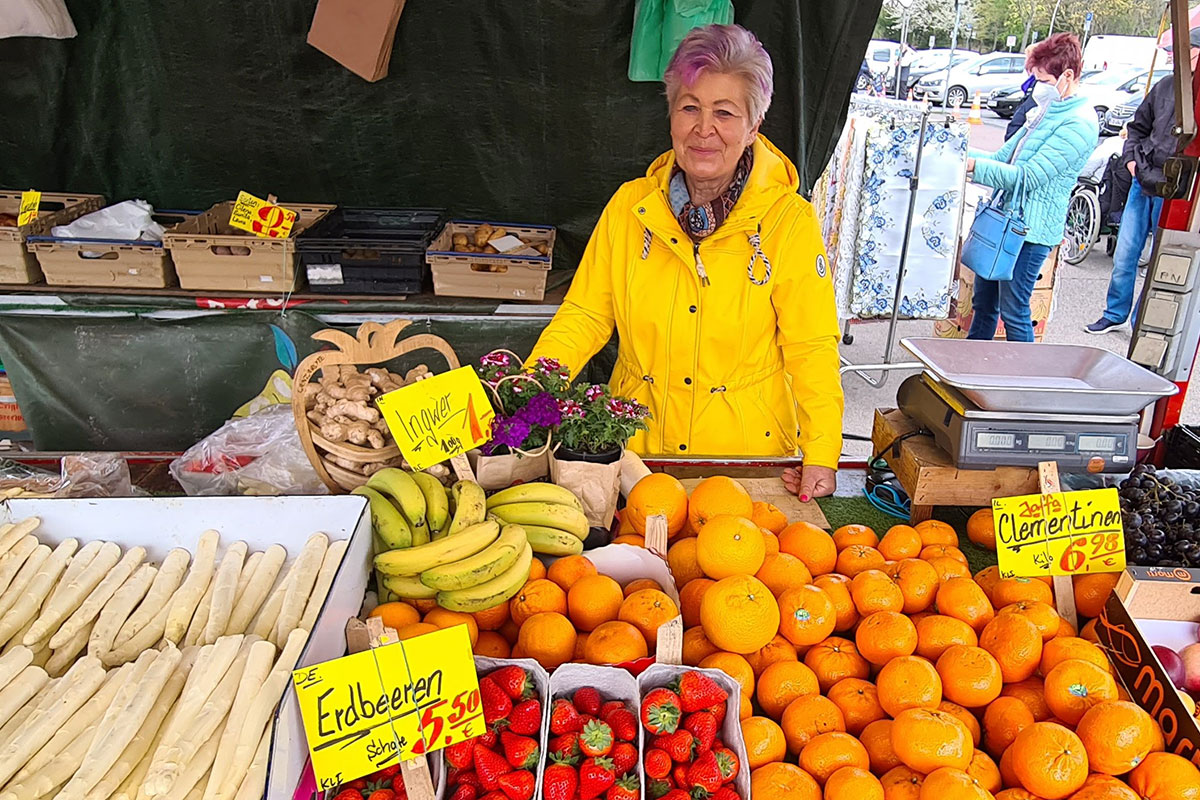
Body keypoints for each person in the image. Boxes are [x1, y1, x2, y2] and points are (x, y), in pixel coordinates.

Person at [528, 24, 843, 499]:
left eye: (725, 112)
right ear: (671, 116)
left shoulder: (788, 221)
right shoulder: (630, 206)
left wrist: (822, 449)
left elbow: (811, 345)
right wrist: (531, 390)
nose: (704, 129)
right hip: (636, 454)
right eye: (689, 108)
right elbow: (585, 316)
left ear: (754, 125)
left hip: (743, 465)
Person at [965, 33, 1099, 342]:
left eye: (1042, 79)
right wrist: (959, 151)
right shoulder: (1045, 110)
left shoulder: (1079, 123)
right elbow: (1003, 157)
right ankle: (970, 370)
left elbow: (1027, 177)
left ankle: (1021, 382)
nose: (1036, 87)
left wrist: (972, 167)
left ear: (1067, 75)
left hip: (1031, 232)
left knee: (1014, 311)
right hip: (1003, 220)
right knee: (984, 304)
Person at [1086, 28, 1200, 335]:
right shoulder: (1164, 86)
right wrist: (1132, 161)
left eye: (1182, 51)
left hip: (1176, 187)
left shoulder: (1196, 95)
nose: (1174, 58)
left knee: (1160, 259)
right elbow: (1136, 127)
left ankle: (1141, 322)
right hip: (1143, 180)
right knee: (1125, 254)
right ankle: (1114, 313)